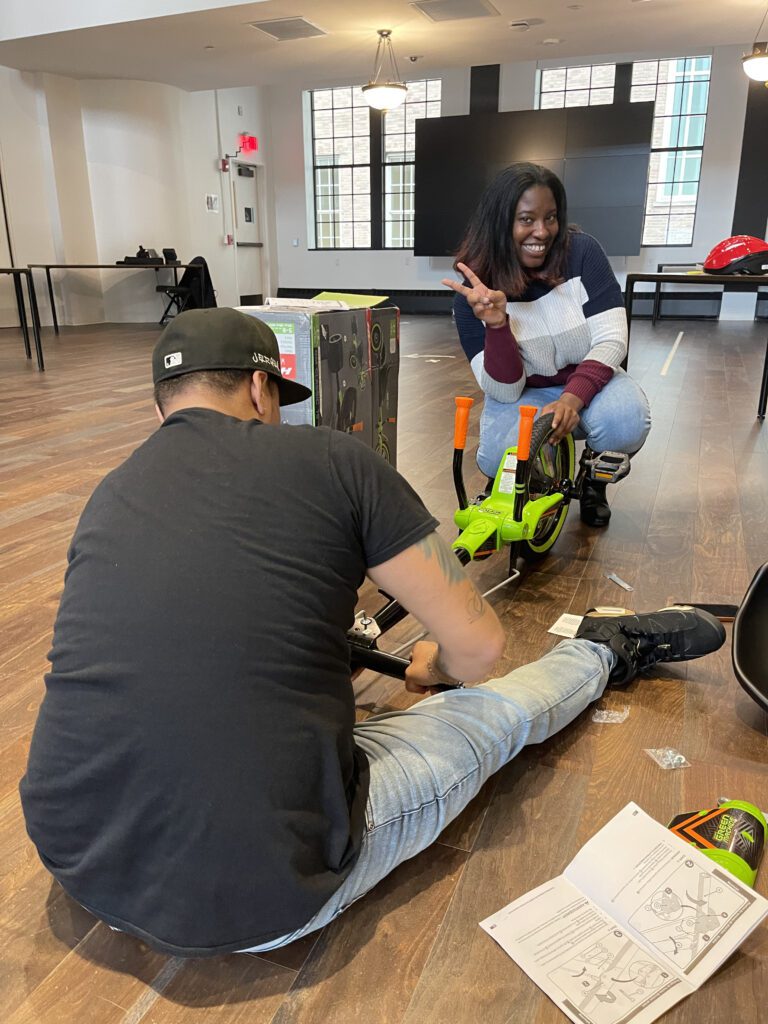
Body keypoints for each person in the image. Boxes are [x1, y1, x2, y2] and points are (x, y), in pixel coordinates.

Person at [20, 308, 723, 959]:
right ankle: (607, 648)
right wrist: (435, 670)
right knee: (490, 716)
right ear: (263, 390)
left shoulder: (110, 493)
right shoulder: (333, 462)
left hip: (80, 860)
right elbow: (477, 651)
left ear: (159, 408)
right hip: (268, 895)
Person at [442, 162, 651, 528]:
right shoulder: (473, 292)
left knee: (627, 420)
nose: (542, 231)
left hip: (590, 382)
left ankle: (592, 482)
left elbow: (613, 338)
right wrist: (496, 326)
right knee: (496, 461)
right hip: (526, 392)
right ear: (500, 222)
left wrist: (573, 397)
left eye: (551, 217)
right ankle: (541, 481)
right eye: (526, 219)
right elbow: (505, 392)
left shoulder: (583, 253)